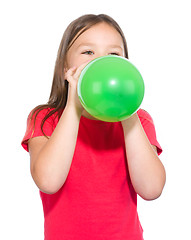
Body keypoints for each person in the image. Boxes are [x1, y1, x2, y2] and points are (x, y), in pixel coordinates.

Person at [21, 14, 166, 240]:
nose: (101, 62)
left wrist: (127, 113)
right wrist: (73, 107)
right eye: (88, 52)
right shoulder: (45, 118)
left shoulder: (139, 121)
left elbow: (151, 189)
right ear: (65, 69)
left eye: (113, 54)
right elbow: (48, 181)